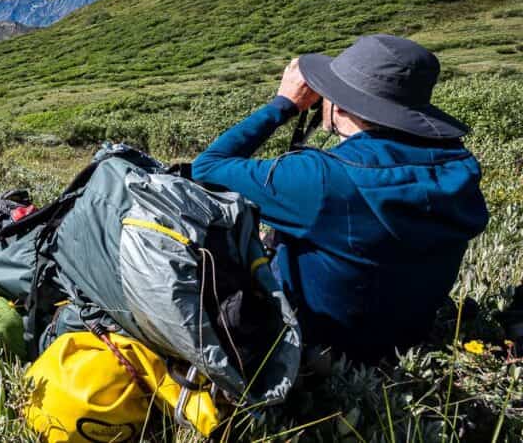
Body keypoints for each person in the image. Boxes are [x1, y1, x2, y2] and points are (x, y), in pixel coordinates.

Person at [192, 35, 488, 363]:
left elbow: (206, 168)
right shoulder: (457, 165)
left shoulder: (323, 178)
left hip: (321, 349)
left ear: (344, 104)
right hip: (406, 341)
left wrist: (284, 105)